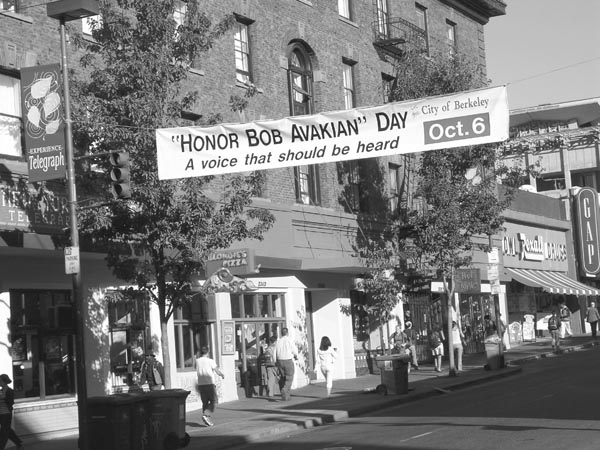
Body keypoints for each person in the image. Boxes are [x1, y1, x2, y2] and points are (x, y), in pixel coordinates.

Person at [196, 346, 225, 427]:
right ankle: (206, 415)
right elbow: (217, 371)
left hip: (201, 384)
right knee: (214, 401)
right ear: (208, 352)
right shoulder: (210, 361)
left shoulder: (197, 361)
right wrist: (222, 375)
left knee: (205, 402)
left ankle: (207, 418)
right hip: (209, 384)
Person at [0, 374, 23, 450]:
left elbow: (11, 402)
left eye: (0, 381)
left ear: (4, 381)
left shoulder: (9, 391)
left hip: (6, 414)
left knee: (4, 432)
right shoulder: (0, 391)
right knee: (7, 430)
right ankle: (18, 442)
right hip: (1, 414)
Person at [275, 327, 298, 401]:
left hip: (280, 361)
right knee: (289, 377)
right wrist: (296, 355)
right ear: (287, 333)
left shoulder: (278, 341)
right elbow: (294, 349)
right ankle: (285, 390)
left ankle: (286, 396)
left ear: (281, 333)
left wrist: (275, 360)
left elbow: (274, 352)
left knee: (283, 378)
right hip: (288, 360)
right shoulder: (289, 340)